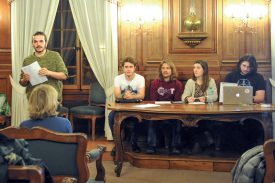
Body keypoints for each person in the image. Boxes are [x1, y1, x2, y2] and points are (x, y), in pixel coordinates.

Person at [109, 56, 145, 153]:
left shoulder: (140, 78)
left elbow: (142, 95)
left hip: (135, 106)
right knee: (111, 117)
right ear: (123, 68)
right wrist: (125, 95)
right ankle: (117, 144)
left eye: (130, 67)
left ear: (134, 68)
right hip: (121, 106)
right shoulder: (118, 78)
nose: (128, 69)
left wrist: (132, 96)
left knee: (139, 118)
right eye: (126, 67)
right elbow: (117, 95)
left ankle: (134, 143)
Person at [146, 60, 183, 155]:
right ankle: (151, 146)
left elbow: (177, 101)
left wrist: (170, 107)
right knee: (151, 119)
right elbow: (153, 100)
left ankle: (175, 146)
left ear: (172, 70)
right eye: (163, 68)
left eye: (168, 68)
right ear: (160, 70)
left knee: (178, 121)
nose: (165, 70)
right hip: (158, 111)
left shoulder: (177, 84)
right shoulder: (155, 83)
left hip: (172, 111)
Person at [19, 31, 68, 102]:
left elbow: (64, 76)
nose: (38, 44)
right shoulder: (27, 60)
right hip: (33, 99)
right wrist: (24, 80)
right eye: (35, 42)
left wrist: (49, 73)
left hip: (52, 98)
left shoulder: (55, 56)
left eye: (41, 41)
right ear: (32, 44)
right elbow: (22, 83)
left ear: (46, 43)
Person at [181, 60, 218, 153]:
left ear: (204, 70)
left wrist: (206, 98)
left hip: (207, 110)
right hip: (193, 110)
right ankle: (202, 143)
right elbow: (183, 96)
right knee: (192, 122)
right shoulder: (190, 81)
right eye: (194, 68)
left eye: (198, 68)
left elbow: (214, 96)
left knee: (204, 122)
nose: (195, 70)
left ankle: (199, 144)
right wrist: (187, 98)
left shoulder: (210, 81)